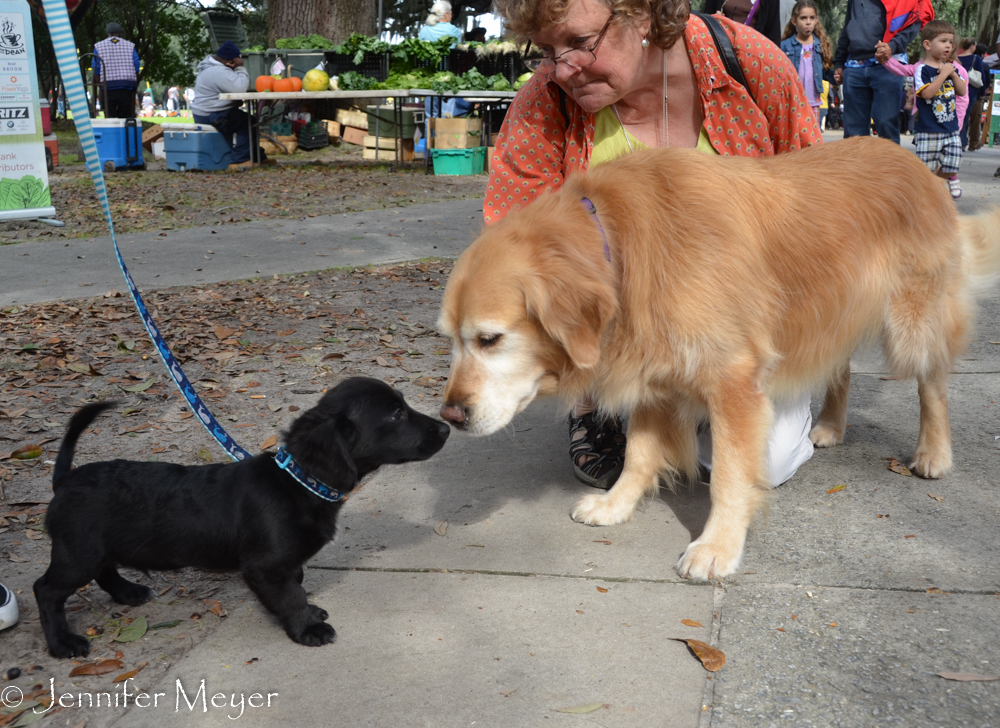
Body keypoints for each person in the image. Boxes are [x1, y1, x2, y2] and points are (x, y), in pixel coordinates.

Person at [488, 0, 823, 490]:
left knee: (763, 466)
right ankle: (596, 407)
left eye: (580, 44)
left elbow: (814, 203)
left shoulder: (748, 63)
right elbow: (513, 253)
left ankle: (782, 401)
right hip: (623, 340)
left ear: (640, 14)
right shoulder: (544, 101)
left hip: (746, 327)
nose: (562, 70)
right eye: (545, 51)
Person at [833, 0, 928, 143]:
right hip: (855, 64)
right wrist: (839, 62)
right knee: (853, 130)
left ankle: (889, 165)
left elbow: (915, 21)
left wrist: (893, 46)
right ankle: (858, 165)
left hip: (889, 63)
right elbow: (848, 26)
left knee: (886, 123)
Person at [905, 20, 966, 198]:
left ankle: (938, 186)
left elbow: (962, 92)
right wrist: (944, 75)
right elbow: (927, 94)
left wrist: (953, 73)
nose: (949, 46)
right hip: (928, 130)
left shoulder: (951, 68)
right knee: (925, 169)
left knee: (953, 164)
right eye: (943, 41)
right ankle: (927, 195)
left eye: (950, 42)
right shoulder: (921, 69)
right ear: (927, 44)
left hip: (950, 129)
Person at [191, 41, 269, 169]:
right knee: (247, 122)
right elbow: (240, 88)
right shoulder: (218, 71)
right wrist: (240, 68)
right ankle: (239, 160)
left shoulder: (212, 68)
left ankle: (257, 157)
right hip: (211, 115)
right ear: (230, 60)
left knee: (247, 120)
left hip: (206, 112)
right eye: (238, 60)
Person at [780, 0, 833, 122]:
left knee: (814, 139)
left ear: (816, 20)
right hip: (791, 102)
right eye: (803, 18)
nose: (808, 22)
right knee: (792, 138)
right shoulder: (784, 46)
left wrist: (838, 76)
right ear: (794, 21)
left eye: (811, 18)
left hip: (813, 102)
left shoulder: (821, 45)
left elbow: (825, 71)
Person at [92, 22, 140, 119]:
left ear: (107, 33)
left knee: (110, 117)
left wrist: (100, 86)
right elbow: (136, 65)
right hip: (126, 87)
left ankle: (113, 133)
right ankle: (125, 134)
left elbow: (96, 68)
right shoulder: (130, 46)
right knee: (125, 117)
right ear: (120, 33)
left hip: (107, 87)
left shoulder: (98, 46)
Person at [700, 0, 781, 46]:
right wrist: (714, 18)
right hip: (721, 46)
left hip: (751, 50)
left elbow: (773, 31)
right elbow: (706, 18)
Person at [958, 38, 986, 151]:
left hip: (957, 90)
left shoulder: (957, 58)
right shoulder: (976, 58)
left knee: (959, 115)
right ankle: (963, 141)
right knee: (965, 116)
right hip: (971, 91)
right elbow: (981, 76)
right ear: (972, 46)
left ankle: (961, 140)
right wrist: (982, 92)